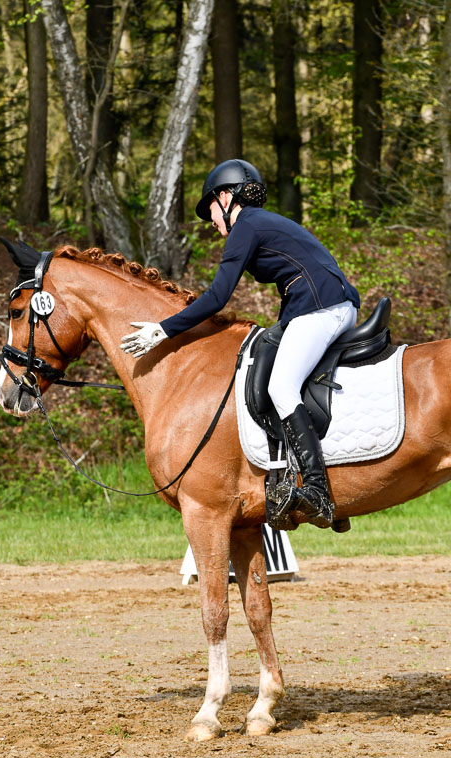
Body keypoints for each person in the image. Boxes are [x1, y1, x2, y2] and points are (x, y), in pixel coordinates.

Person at [120, 159, 360, 529]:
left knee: (281, 387)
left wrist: (164, 329)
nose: (211, 221)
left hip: (320, 308)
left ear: (226, 196)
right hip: (326, 305)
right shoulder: (263, 223)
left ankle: (317, 489)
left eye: (211, 210)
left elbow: (217, 297)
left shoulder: (246, 225)